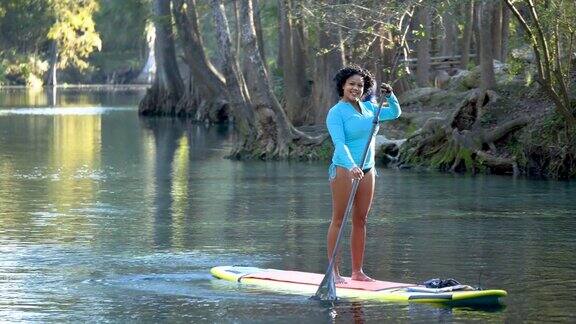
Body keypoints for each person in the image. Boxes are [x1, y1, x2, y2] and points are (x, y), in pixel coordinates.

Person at [326, 65, 401, 283]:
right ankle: (334, 272)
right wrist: (351, 165)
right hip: (344, 168)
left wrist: (391, 95)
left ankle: (357, 272)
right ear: (342, 85)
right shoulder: (336, 112)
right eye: (351, 84)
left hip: (368, 169)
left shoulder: (370, 108)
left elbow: (395, 113)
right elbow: (339, 143)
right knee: (339, 220)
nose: (356, 88)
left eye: (360, 85)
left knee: (361, 220)